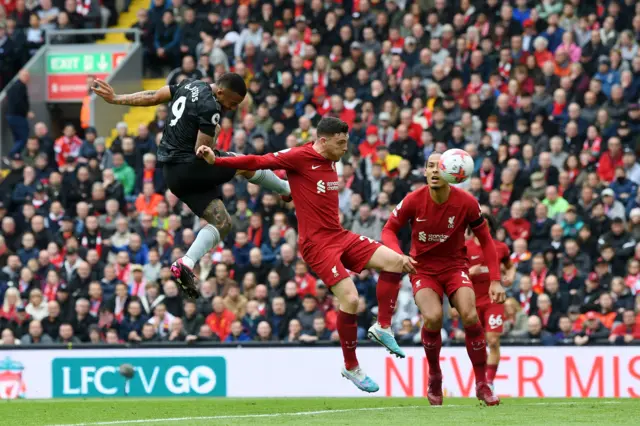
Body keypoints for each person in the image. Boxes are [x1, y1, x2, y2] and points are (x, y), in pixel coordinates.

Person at [198, 117, 417, 393]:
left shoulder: (331, 158)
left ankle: (383, 326)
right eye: (340, 143)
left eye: (346, 142)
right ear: (323, 141)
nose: (345, 148)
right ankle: (351, 367)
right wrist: (216, 160)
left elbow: (308, 188)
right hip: (317, 244)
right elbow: (257, 161)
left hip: (339, 234)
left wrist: (291, 193)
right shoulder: (300, 156)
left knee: (397, 262)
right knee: (350, 298)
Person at [92, 73, 291, 298]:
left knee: (222, 223)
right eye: (233, 103)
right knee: (243, 162)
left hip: (172, 175)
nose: (233, 108)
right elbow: (203, 152)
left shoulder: (190, 85)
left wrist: (117, 98)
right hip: (190, 167)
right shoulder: (211, 107)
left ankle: (186, 262)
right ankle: (286, 189)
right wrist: (215, 134)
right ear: (221, 92)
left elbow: (154, 96)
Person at [381, 151, 503, 406]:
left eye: (440, 166)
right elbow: (389, 229)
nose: (435, 171)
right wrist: (398, 255)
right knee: (434, 318)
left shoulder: (467, 202)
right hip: (423, 269)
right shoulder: (414, 200)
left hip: (455, 267)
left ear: (452, 173)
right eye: (430, 166)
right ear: (425, 172)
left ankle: (482, 384)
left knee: (469, 316)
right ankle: (435, 375)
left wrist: (495, 279)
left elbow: (486, 241)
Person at [465, 214, 514, 390]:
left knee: (493, 340)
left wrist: (510, 276)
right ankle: (480, 378)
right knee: (477, 343)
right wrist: (470, 272)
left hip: (494, 300)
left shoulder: (500, 247)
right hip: (471, 300)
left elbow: (510, 266)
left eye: (485, 225)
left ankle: (489, 382)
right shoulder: (465, 247)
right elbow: (456, 273)